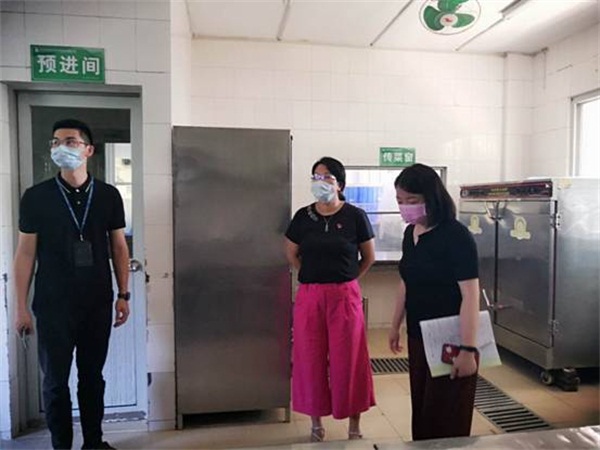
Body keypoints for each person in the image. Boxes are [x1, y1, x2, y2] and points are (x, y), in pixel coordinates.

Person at [13, 119, 131, 450]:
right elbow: (25, 254)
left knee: (92, 378)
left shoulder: (108, 195)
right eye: (55, 142)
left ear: (88, 150)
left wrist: (123, 294)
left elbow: (119, 247)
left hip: (96, 302)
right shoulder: (36, 197)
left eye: (69, 141)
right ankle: (61, 445)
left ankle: (93, 443)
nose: (60, 147)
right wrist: (20, 307)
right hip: (53, 305)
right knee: (55, 382)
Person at [285, 156, 376, 442]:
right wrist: (312, 275)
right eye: (316, 177)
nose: (320, 182)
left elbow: (368, 257)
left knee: (348, 359)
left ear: (340, 184)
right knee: (309, 358)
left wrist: (346, 278)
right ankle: (315, 423)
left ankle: (354, 424)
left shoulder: (355, 216)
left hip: (344, 296)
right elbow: (291, 253)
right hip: (310, 296)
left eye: (326, 177)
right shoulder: (303, 217)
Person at [388, 163, 480, 441]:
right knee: (423, 410)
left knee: (446, 414)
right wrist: (395, 325)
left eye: (412, 200)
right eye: (400, 201)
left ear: (432, 198)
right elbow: (406, 281)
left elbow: (470, 294)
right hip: (419, 335)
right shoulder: (410, 234)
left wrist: (467, 349)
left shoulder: (456, 236)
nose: (405, 207)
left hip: (451, 338)